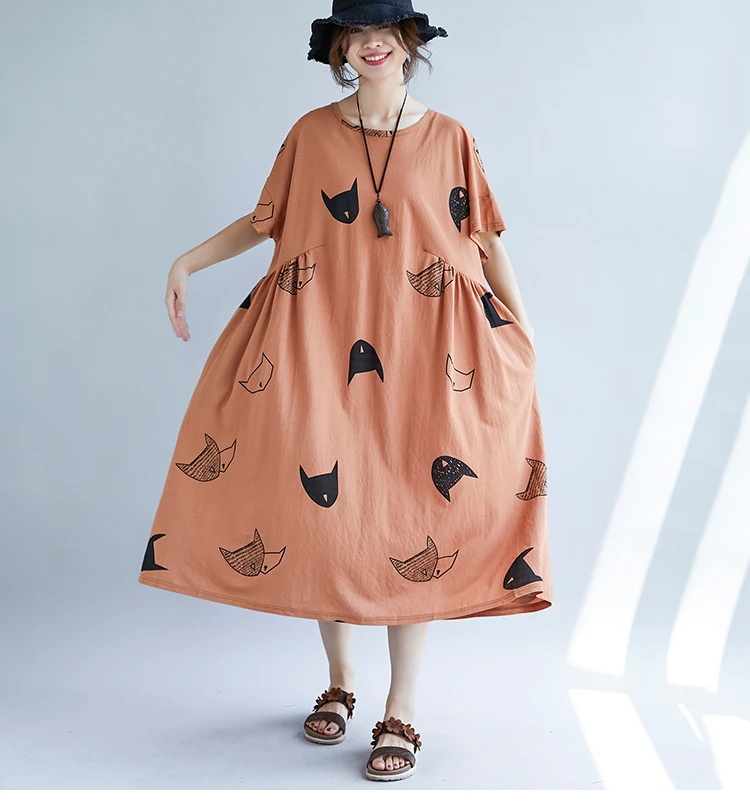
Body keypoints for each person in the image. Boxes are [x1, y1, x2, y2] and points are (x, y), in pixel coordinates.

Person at [138, 0, 552, 783]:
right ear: (339, 50)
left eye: (383, 33)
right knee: (329, 520)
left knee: (416, 519)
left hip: (426, 357)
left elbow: (485, 240)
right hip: (322, 347)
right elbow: (267, 221)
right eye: (354, 35)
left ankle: (402, 708)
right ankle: (340, 681)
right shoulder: (309, 134)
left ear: (408, 43)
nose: (370, 45)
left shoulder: (452, 138)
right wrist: (186, 261)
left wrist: (522, 330)